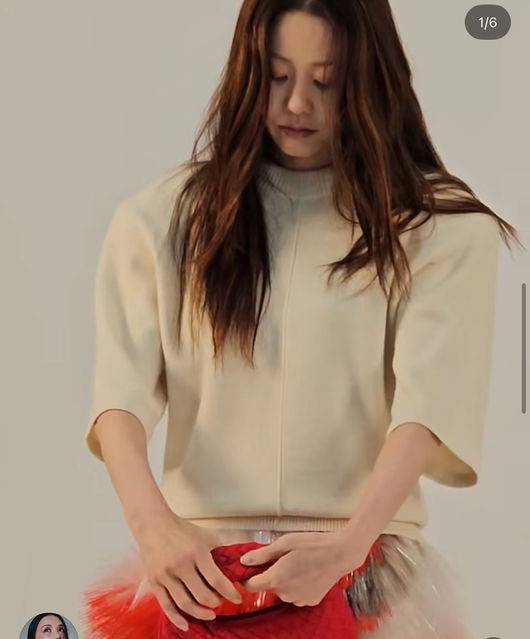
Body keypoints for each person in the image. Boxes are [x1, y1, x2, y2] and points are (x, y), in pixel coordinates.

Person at [83, 1, 523, 637]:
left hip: (366, 578)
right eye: (276, 75)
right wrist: (152, 528)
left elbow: (429, 406)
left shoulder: (439, 228)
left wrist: (347, 547)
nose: (296, 104)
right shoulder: (164, 219)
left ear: (371, 81)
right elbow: (119, 397)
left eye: (326, 81)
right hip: (201, 577)